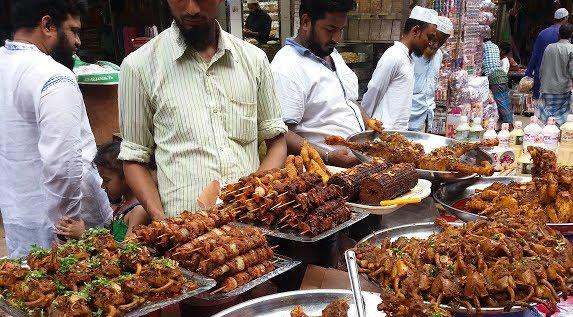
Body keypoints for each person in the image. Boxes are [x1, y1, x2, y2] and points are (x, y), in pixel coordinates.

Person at [118, 0, 287, 220]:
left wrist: (252, 198)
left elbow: (277, 143)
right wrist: (161, 220)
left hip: (252, 232)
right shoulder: (138, 67)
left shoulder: (254, 60)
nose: (192, 9)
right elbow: (134, 159)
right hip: (183, 234)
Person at [0, 0, 111, 258]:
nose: (78, 42)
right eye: (73, 30)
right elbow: (64, 165)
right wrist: (68, 226)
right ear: (48, 25)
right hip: (61, 231)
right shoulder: (53, 75)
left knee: (29, 290)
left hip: (18, 216)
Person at [270, 0, 365, 167]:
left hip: (359, 164)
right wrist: (328, 156)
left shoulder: (332, 54)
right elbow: (281, 133)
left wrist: (374, 132)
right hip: (327, 173)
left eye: (340, 30)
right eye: (330, 30)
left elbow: (349, 100)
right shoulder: (286, 66)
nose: (337, 39)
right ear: (306, 22)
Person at [56, 141, 150, 241]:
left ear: (127, 176)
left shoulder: (139, 211)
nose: (102, 186)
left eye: (106, 180)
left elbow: (129, 252)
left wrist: (84, 235)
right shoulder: (123, 205)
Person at [361, 6, 435, 130]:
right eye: (429, 37)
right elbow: (374, 91)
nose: (430, 43)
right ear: (416, 31)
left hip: (396, 133)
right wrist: (365, 123)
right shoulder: (394, 55)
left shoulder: (407, 58)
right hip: (382, 131)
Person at [409, 14, 452, 132]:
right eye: (434, 39)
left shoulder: (439, 55)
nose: (435, 44)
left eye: (441, 42)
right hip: (408, 117)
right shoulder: (412, 54)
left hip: (426, 116)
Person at [537, 23, 573, 125]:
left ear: (559, 34)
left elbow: (542, 68)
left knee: (546, 119)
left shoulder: (549, 47)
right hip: (562, 90)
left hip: (547, 88)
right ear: (571, 35)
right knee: (560, 120)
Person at [524, 8, 569, 101]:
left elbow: (535, 55)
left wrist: (528, 73)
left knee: (539, 106)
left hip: (540, 75)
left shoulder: (543, 33)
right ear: (565, 18)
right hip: (557, 78)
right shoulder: (564, 35)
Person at [482, 35, 513, 124]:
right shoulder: (495, 46)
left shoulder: (482, 46)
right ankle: (508, 123)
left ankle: (509, 125)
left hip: (496, 79)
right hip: (501, 76)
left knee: (501, 102)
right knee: (505, 101)